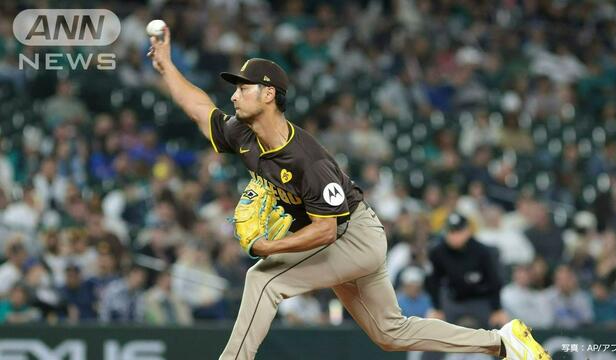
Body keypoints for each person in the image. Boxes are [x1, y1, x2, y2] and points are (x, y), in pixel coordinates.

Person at [148, 26, 548, 360]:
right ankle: (501, 342)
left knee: (264, 281)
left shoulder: (306, 159)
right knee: (390, 333)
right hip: (341, 239)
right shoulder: (242, 132)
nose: (234, 95)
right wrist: (167, 67)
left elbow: (325, 231)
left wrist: (269, 247)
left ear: (269, 94)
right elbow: (199, 108)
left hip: (352, 235)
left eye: (243, 88)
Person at [426, 213, 508, 329]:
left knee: (503, 324)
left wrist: (497, 308)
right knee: (431, 322)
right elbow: (433, 282)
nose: (454, 236)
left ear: (467, 231)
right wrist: (437, 307)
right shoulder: (438, 252)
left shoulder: (482, 251)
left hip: (480, 301)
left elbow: (494, 281)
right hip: (453, 301)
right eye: (450, 232)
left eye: (458, 232)